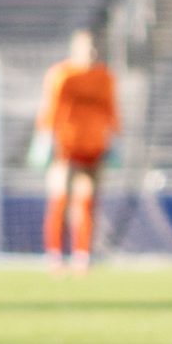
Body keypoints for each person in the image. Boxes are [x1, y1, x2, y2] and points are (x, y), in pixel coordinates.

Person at [35, 29, 120, 273]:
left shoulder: (104, 77)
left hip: (94, 146)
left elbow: (111, 109)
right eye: (87, 48)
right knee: (60, 198)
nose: (92, 53)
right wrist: (44, 137)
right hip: (66, 145)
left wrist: (115, 139)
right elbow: (50, 107)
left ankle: (82, 256)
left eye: (94, 47)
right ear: (75, 49)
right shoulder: (62, 75)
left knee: (88, 200)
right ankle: (55, 255)